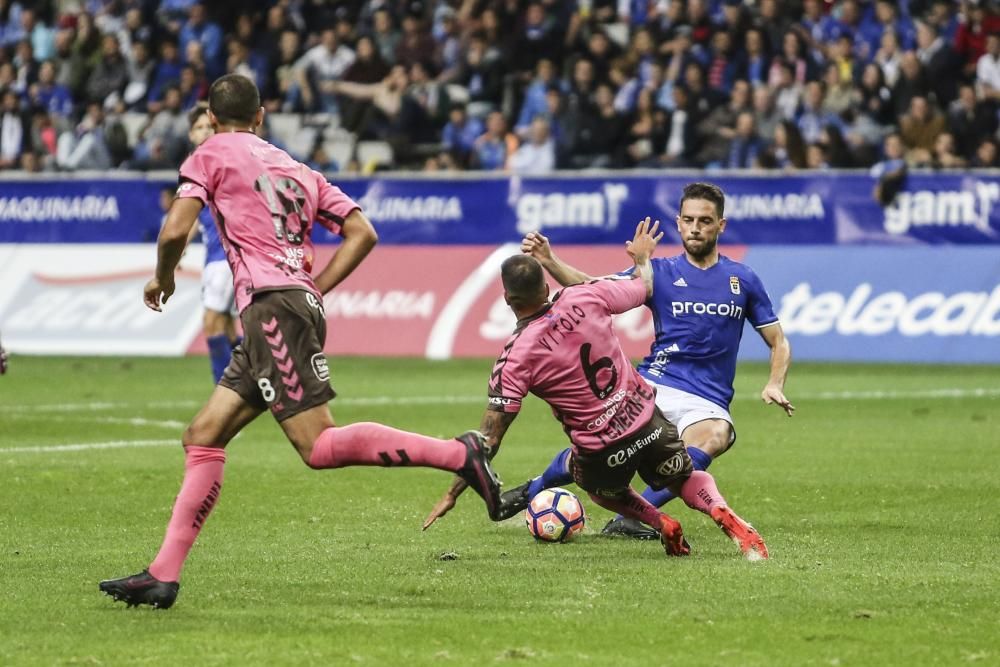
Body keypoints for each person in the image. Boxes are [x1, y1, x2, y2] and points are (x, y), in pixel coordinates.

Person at [99, 74, 502, 610]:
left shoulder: (210, 152)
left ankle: (459, 453)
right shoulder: (297, 168)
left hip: (271, 307)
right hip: (289, 306)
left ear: (213, 120)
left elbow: (174, 230)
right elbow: (363, 231)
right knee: (203, 434)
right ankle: (162, 575)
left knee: (317, 446)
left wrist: (163, 277)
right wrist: (315, 287)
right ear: (262, 117)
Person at [422, 219, 768, 561]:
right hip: (647, 420)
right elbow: (643, 287)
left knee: (600, 489)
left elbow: (488, 440)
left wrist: (454, 492)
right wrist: (643, 258)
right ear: (546, 289)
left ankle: (659, 520)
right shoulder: (585, 296)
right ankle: (721, 510)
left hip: (602, 449)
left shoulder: (513, 360)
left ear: (507, 299)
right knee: (683, 477)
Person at [496, 182, 793, 540]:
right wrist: (549, 261)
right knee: (603, 443)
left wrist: (775, 382)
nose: (696, 227)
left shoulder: (742, 279)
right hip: (653, 385)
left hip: (707, 399)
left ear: (721, 226)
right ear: (679, 224)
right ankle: (535, 487)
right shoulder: (660, 272)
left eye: (705, 220)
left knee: (715, 436)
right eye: (688, 220)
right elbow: (592, 288)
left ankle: (632, 517)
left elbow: (777, 341)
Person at [183, 103, 240, 383]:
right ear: (191, 135)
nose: (204, 131)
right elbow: (196, 210)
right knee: (228, 327)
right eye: (198, 128)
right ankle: (256, 385)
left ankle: (226, 394)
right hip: (218, 257)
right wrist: (183, 239)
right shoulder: (200, 163)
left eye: (208, 126)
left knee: (211, 322)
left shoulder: (219, 161)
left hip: (225, 257)